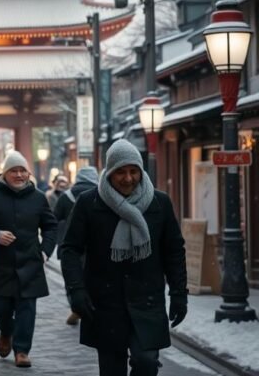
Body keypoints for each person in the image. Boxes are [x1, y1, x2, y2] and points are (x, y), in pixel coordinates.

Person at [60, 140, 188, 376]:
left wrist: (179, 293)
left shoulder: (159, 202)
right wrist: (76, 290)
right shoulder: (89, 203)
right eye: (120, 171)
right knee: (112, 369)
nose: (128, 178)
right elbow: (70, 249)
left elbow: (174, 249)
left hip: (147, 299)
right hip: (105, 302)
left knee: (146, 362)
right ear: (109, 173)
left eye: (133, 171)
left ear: (141, 171)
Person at [0, 151, 57, 369]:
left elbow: (50, 226)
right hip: (1, 264)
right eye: (14, 171)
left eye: (22, 170)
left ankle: (22, 350)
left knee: (27, 309)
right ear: (4, 174)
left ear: (28, 173)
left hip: (30, 263)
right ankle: (6, 331)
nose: (19, 175)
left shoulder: (38, 197)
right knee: (1, 308)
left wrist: (45, 251)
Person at [52, 166, 99, 326]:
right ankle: (91, 306)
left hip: (70, 243)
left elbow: (54, 218)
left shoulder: (66, 196)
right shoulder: (102, 194)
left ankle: (76, 306)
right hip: (95, 245)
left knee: (72, 276)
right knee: (93, 275)